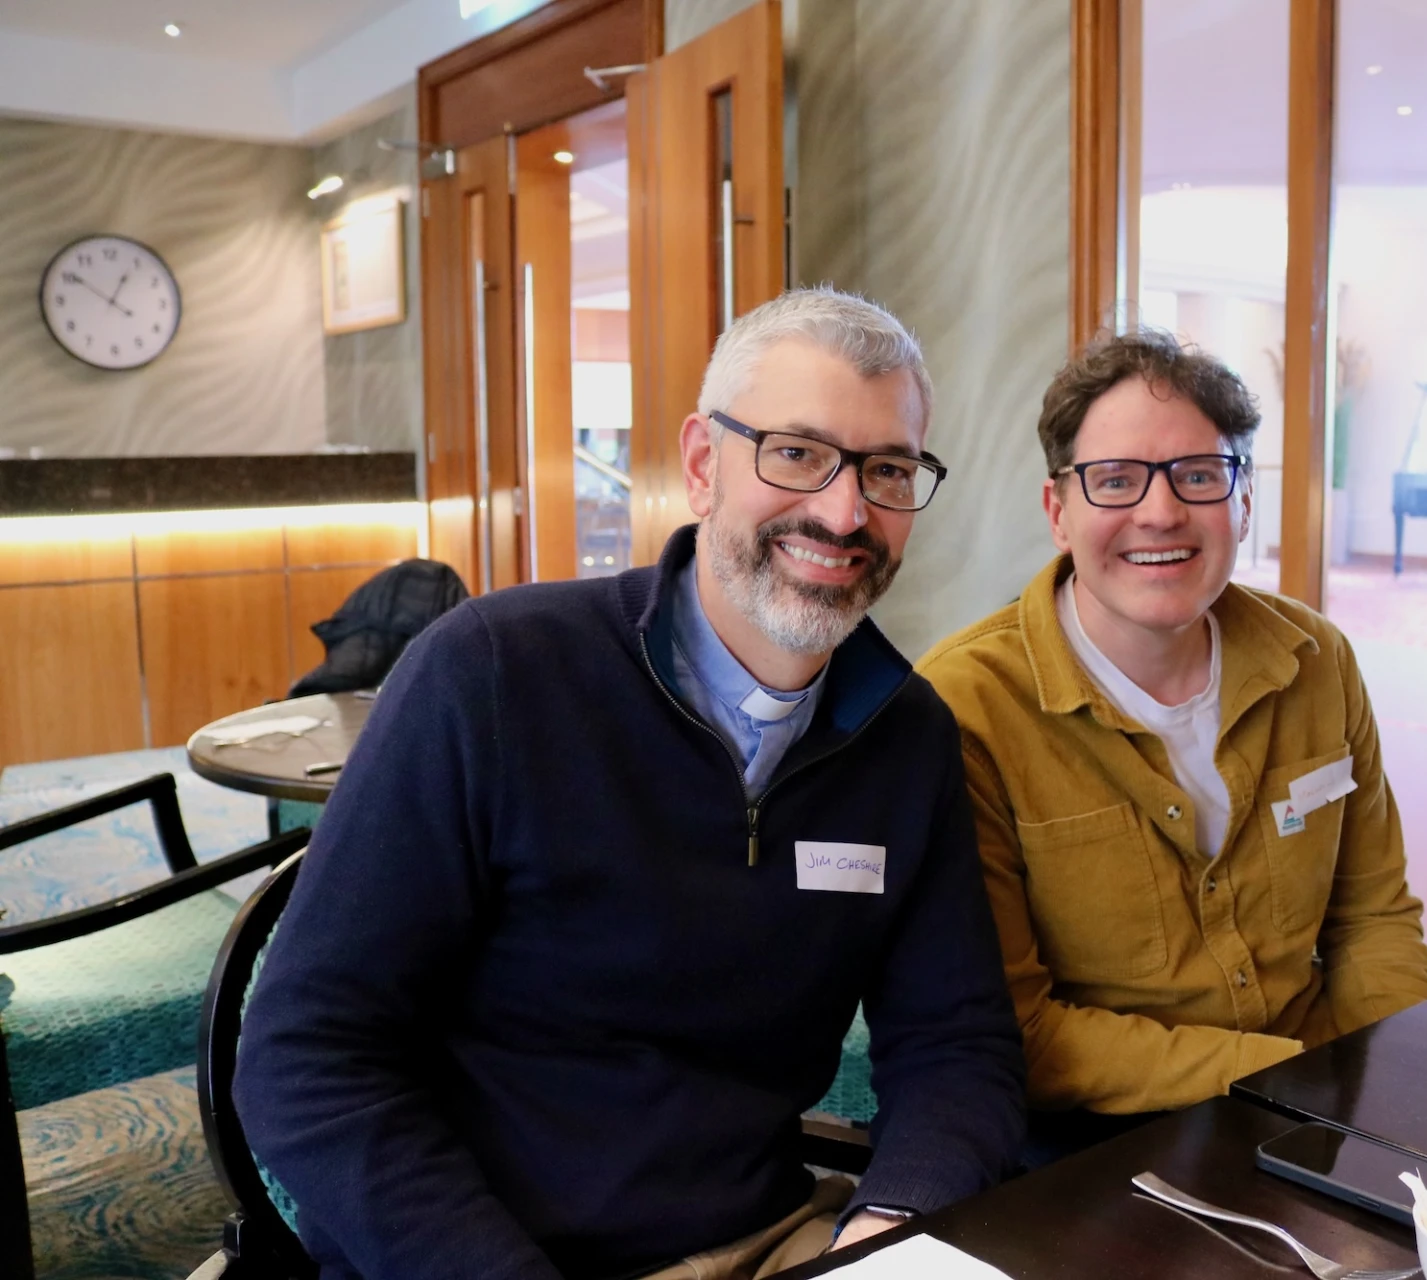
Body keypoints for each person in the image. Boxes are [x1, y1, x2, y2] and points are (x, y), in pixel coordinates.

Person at [235, 288, 1025, 1280]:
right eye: (796, 452)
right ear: (702, 462)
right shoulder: (493, 672)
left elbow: (959, 1044)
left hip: (772, 1237)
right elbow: (309, 1057)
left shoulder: (906, 737)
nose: (843, 509)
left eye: (889, 468)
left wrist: (888, 1231)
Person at [918, 330, 1427, 1159]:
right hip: (1100, 1148)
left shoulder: (1318, 662)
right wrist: (1297, 1078)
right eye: (1115, 480)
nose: (1160, 512)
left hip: (1322, 1112)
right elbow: (1019, 1029)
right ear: (1059, 512)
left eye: (1198, 476)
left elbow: (1371, 919)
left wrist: (1396, 1087)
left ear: (1242, 503)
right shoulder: (967, 705)